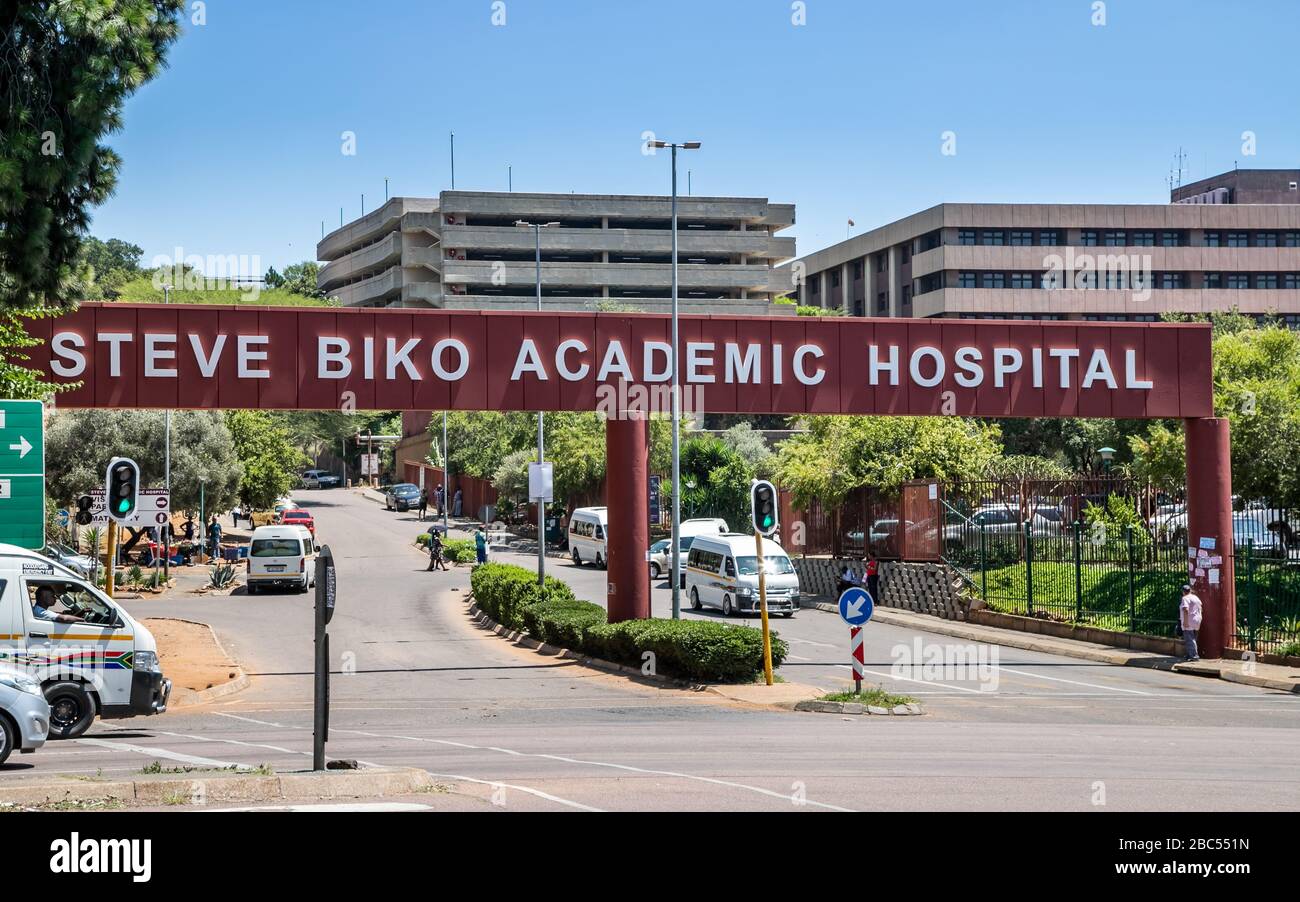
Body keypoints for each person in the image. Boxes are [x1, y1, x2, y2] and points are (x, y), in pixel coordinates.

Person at [1179, 583, 1203, 661]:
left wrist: (1185, 622)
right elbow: (1201, 608)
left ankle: (1194, 656)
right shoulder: (1196, 597)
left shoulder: (1185, 598)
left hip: (1189, 620)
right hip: (1197, 620)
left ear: (1183, 591)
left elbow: (1186, 609)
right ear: (1190, 590)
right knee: (1193, 638)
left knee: (1189, 639)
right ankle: (1190, 654)